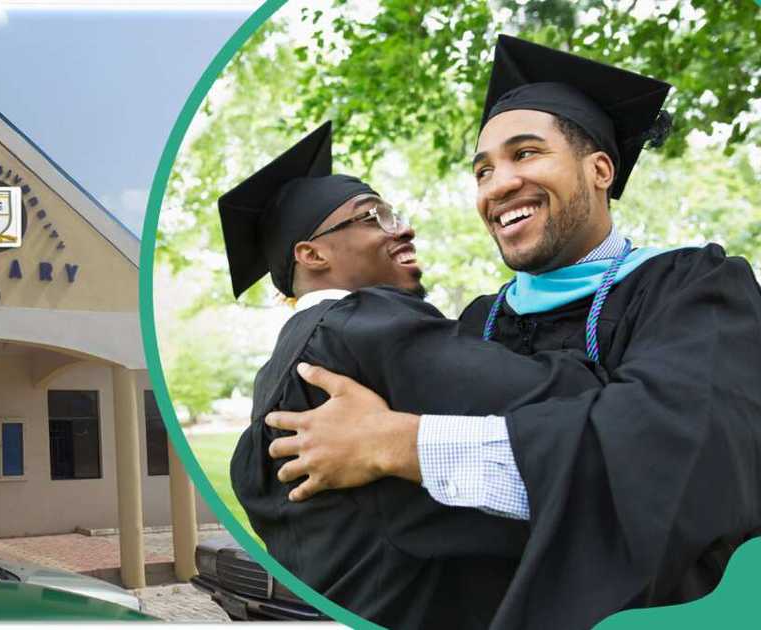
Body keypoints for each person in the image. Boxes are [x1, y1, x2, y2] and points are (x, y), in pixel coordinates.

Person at [263, 35, 761, 630]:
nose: (497, 185)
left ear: (599, 168)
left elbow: (676, 463)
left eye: (525, 154)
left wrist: (397, 444)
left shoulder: (697, 289)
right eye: (483, 170)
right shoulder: (479, 321)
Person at [221, 120, 611, 629]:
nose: (401, 228)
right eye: (372, 218)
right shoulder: (363, 328)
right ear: (312, 254)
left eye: (392, 213)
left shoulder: (278, 372)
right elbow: (566, 398)